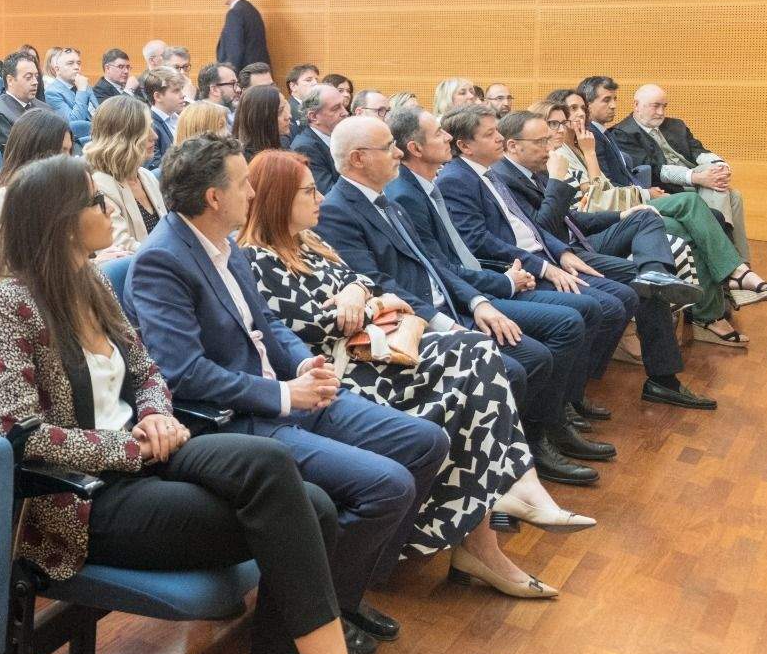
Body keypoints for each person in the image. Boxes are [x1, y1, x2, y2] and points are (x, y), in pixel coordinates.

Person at [0, 154, 349, 654]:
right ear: (60, 219)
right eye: (94, 200)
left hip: (152, 449)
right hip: (88, 496)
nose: (110, 206)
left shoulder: (93, 280)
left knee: (280, 471)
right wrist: (131, 444)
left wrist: (155, 413)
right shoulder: (10, 304)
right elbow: (22, 436)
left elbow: (148, 370)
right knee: (308, 511)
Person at [127, 134, 446, 654]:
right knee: (387, 485)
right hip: (236, 420)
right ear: (213, 197)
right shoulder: (162, 260)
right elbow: (182, 375)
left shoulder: (224, 243)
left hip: (284, 393)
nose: (253, 192)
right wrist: (282, 392)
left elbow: (266, 323)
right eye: (243, 182)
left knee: (425, 443)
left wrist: (303, 363)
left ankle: (338, 597)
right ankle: (306, 621)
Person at [242, 149, 580, 596]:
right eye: (308, 191)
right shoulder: (257, 258)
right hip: (344, 371)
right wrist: (362, 300)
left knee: (476, 353)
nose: (319, 196)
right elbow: (317, 324)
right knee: (474, 361)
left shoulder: (308, 241)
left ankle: (500, 508)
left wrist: (358, 295)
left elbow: (362, 283)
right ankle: (507, 495)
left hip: (374, 352)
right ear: (278, 199)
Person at [490, 111, 715, 410]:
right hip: (549, 258)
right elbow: (538, 232)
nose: (549, 146)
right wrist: (558, 181)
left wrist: (620, 215)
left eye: (548, 139)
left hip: (572, 248)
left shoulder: (535, 169)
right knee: (629, 292)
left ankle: (662, 373)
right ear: (512, 146)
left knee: (646, 238)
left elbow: (571, 218)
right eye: (541, 140)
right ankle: (575, 392)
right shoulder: (504, 178)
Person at [435, 105, 633, 434]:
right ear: (465, 145)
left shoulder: (488, 170)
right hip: (510, 269)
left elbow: (531, 226)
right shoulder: (457, 179)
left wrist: (561, 252)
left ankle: (570, 395)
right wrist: (542, 266)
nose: (500, 137)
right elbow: (478, 241)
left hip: (538, 258)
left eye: (498, 131)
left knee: (621, 297)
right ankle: (557, 413)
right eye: (489, 134)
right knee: (592, 308)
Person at [541, 94, 767, 347]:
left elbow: (605, 189)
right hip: (602, 222)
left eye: (578, 110)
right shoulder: (561, 154)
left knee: (699, 206)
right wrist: (637, 190)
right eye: (567, 113)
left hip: (623, 205)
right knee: (691, 221)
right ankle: (724, 291)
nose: (575, 117)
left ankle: (722, 295)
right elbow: (595, 200)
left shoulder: (578, 145)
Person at [614, 84, 753, 259]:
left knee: (733, 194)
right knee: (730, 195)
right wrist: (696, 178)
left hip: (696, 180)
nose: (661, 112)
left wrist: (720, 166)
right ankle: (727, 256)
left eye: (664, 106)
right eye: (655, 106)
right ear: (636, 105)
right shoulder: (623, 133)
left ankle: (740, 262)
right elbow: (656, 171)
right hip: (668, 189)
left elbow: (697, 150)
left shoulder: (675, 125)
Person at [86, 96, 166, 254]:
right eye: (145, 130)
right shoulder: (99, 186)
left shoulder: (146, 176)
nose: (154, 136)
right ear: (124, 138)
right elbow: (120, 247)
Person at [0, 109, 73, 244]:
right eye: (61, 152)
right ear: (36, 153)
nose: (69, 160)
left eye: (69, 151)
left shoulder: (64, 190)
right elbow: (9, 262)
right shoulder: (3, 200)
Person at [0, 50, 41, 151]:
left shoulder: (44, 108)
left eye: (36, 77)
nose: (35, 82)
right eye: (28, 77)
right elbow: (15, 153)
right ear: (10, 80)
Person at [291, 84, 349, 193]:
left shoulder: (339, 137)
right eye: (336, 108)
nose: (345, 113)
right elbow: (328, 194)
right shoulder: (304, 148)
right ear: (313, 117)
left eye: (343, 106)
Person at [215, 0, 269, 71]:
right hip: (258, 70)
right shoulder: (252, 10)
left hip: (244, 73)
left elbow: (234, 49)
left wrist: (230, 75)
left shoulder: (235, 13)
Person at [139, 66, 184, 171]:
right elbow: (156, 167)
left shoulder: (181, 118)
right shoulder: (149, 126)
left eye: (181, 89)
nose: (183, 95)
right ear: (158, 96)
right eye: (176, 91)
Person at [235, 85, 290, 161]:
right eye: (280, 112)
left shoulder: (283, 142)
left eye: (286, 106)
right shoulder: (250, 161)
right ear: (261, 119)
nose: (288, 116)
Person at [43, 46, 86, 118]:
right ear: (57, 69)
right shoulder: (52, 92)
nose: (76, 67)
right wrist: (82, 92)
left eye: (78, 63)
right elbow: (73, 122)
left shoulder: (84, 85)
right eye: (70, 63)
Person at [284, 63, 320, 136]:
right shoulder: (288, 110)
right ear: (293, 86)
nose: (315, 83)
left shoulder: (317, 106)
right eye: (308, 80)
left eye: (316, 80)